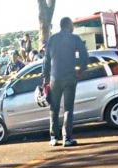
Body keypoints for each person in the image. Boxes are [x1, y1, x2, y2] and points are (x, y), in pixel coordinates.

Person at [43, 17, 88, 147]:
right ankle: (67, 138)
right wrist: (82, 70)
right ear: (69, 26)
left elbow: (46, 60)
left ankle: (53, 137)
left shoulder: (52, 39)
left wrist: (45, 76)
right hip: (70, 77)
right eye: (72, 25)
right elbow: (85, 55)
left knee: (54, 108)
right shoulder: (75, 38)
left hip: (54, 78)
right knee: (68, 108)